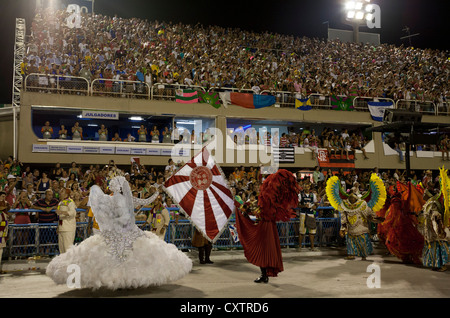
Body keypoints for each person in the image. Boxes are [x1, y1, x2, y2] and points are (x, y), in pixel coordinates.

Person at [46, 175, 192, 290]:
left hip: (126, 230)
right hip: (119, 230)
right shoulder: (112, 199)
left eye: (115, 185)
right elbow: (137, 205)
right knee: (121, 256)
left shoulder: (121, 198)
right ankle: (120, 281)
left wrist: (157, 193)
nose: (114, 187)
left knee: (129, 255)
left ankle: (126, 281)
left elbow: (144, 201)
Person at [235, 169, 299, 283]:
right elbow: (255, 210)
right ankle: (264, 275)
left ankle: (264, 275)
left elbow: (258, 211)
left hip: (265, 227)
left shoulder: (266, 202)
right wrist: (246, 210)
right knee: (265, 251)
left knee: (262, 251)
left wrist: (246, 210)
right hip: (267, 227)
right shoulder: (268, 202)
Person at [32, 189, 59, 255]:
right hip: (42, 223)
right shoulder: (40, 201)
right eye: (49, 195)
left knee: (52, 238)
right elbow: (32, 206)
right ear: (45, 195)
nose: (51, 196)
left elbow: (59, 205)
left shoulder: (55, 201)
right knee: (42, 239)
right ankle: (42, 253)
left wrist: (52, 208)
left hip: (52, 223)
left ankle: (51, 253)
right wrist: (41, 208)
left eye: (51, 195)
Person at [55, 189, 77, 254]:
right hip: (61, 228)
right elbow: (59, 217)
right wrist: (58, 227)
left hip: (68, 228)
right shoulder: (60, 203)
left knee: (68, 248)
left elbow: (73, 213)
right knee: (61, 249)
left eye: (62, 192)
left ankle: (69, 263)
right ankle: (63, 263)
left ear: (66, 194)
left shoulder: (70, 202)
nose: (60, 193)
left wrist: (62, 212)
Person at [298, 182, 318, 251]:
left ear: (310, 187)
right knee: (301, 231)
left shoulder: (313, 195)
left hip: (311, 213)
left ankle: (312, 247)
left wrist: (315, 207)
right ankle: (300, 246)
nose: (307, 188)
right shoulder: (300, 195)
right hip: (303, 213)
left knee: (312, 231)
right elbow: (297, 205)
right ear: (303, 187)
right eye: (305, 186)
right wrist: (304, 206)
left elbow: (316, 204)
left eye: (308, 186)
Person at [0, 192, 9, 274]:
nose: (4, 198)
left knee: (1, 251)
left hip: (2, 233)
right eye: (2, 196)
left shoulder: (3, 211)